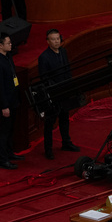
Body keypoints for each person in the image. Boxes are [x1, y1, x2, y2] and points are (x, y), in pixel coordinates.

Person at [37, 29, 79, 159]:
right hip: (54, 94)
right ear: (48, 41)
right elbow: (44, 78)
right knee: (50, 122)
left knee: (64, 118)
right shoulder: (44, 57)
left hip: (65, 91)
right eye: (53, 39)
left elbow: (67, 70)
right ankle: (48, 149)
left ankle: (66, 142)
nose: (56, 41)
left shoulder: (63, 51)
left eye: (57, 39)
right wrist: (56, 88)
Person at [0, 33, 20, 170]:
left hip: (13, 99)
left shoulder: (7, 56)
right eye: (8, 43)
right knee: (4, 131)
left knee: (11, 129)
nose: (11, 44)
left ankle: (9, 153)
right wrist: (4, 106)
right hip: (5, 103)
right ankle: (3, 160)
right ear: (0, 45)